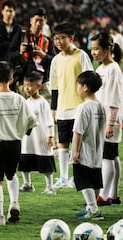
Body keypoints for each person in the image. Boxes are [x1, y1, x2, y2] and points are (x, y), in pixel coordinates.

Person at [0, 62, 36, 226]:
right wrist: (21, 132)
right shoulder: (20, 99)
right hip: (15, 144)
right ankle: (14, 203)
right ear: (11, 80)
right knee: (11, 174)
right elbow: (31, 121)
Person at [50, 22, 93, 189]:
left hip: (79, 108)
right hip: (62, 108)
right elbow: (54, 86)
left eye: (62, 38)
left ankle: (78, 176)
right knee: (62, 145)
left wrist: (88, 103)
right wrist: (53, 108)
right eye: (56, 39)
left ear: (71, 38)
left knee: (79, 145)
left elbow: (90, 79)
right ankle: (63, 178)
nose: (59, 42)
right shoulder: (55, 60)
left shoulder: (81, 56)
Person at [91, 32, 123, 206]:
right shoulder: (100, 69)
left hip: (110, 119)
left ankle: (103, 196)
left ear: (108, 48)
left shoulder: (113, 69)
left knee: (107, 157)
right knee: (112, 155)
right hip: (102, 118)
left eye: (96, 49)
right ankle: (114, 194)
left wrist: (111, 122)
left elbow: (115, 98)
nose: (93, 52)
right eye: (92, 49)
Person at [72, 71, 105, 220]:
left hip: (85, 150)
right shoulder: (101, 106)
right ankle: (90, 207)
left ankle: (94, 209)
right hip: (97, 150)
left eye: (78, 85)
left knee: (84, 180)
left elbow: (78, 131)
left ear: (85, 87)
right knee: (94, 180)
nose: (76, 88)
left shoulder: (83, 107)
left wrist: (75, 152)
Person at [18, 71, 56, 194]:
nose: (27, 88)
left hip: (41, 137)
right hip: (28, 138)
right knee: (25, 160)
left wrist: (50, 135)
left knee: (45, 160)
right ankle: (27, 184)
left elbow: (49, 120)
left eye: (30, 85)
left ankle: (50, 186)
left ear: (38, 86)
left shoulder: (43, 103)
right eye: (25, 85)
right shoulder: (26, 102)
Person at [11, 7, 56, 103]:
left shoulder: (47, 40)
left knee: (46, 110)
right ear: (31, 20)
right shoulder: (21, 36)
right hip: (24, 80)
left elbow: (54, 60)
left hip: (42, 81)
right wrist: (20, 52)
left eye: (41, 21)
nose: (38, 24)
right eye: (36, 20)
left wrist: (43, 55)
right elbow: (9, 56)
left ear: (45, 22)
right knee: (25, 111)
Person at [0, 0, 21, 93]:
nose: (9, 13)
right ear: (2, 12)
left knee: (12, 92)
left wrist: (4, 44)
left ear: (14, 13)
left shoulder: (18, 28)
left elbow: (18, 47)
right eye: (7, 10)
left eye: (11, 11)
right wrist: (11, 45)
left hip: (13, 64)